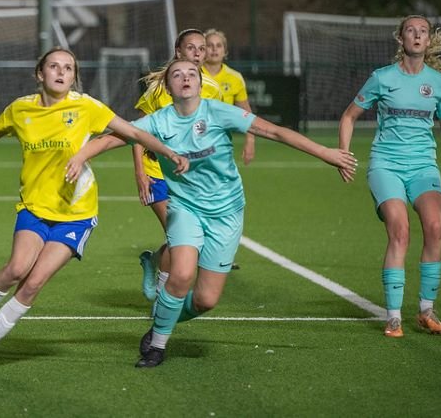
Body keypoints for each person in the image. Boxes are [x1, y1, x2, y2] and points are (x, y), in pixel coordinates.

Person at [66, 58, 357, 367]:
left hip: (226, 212)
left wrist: (326, 152)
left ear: (200, 83)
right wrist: (80, 156)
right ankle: (157, 346)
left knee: (206, 300)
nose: (186, 78)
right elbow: (113, 137)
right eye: (177, 75)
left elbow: (274, 132)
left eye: (192, 73)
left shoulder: (218, 112)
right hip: (185, 208)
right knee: (180, 273)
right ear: (168, 86)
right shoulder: (158, 120)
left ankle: (162, 323)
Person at [0, 47, 187, 372]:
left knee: (34, 283)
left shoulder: (85, 106)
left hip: (76, 213)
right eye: (54, 66)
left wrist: (169, 153)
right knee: (17, 268)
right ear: (40, 74)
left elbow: (131, 131)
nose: (61, 73)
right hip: (34, 207)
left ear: (74, 76)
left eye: (68, 68)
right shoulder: (21, 109)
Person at [337, 15, 441, 338]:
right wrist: (342, 152)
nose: (417, 35)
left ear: (428, 39)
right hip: (387, 166)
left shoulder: (438, 83)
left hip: (423, 166)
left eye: (423, 31)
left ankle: (426, 310)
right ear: (401, 39)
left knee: (435, 227)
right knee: (400, 230)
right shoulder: (382, 78)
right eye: (411, 30)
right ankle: (394, 316)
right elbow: (349, 116)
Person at [134, 29, 223, 302]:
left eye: (201, 48)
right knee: (177, 237)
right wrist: (139, 173)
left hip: (189, 178)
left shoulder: (213, 90)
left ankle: (154, 263)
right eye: (191, 48)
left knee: (186, 239)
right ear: (178, 52)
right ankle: (163, 298)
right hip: (156, 173)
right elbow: (136, 134)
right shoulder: (159, 88)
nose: (197, 53)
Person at [203, 28, 256, 165]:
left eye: (219, 45)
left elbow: (246, 114)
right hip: (192, 140)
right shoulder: (191, 74)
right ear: (202, 50)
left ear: (225, 51)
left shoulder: (235, 78)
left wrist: (250, 141)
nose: (214, 49)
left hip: (221, 144)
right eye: (209, 45)